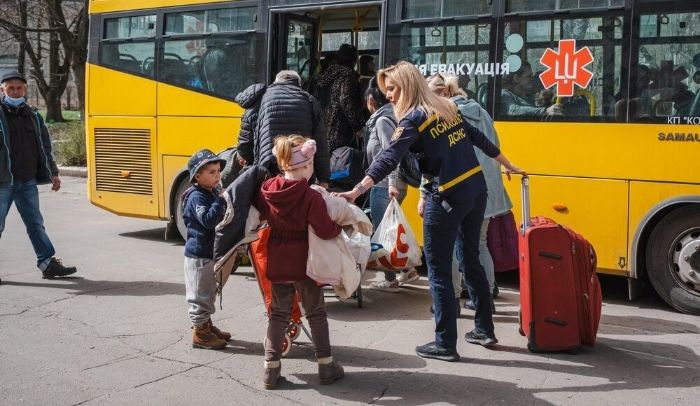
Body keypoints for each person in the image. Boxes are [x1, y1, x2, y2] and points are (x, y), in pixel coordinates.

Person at [336, 61, 525, 362]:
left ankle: (445, 343)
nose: (389, 97)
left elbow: (388, 158)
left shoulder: (414, 119)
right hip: (475, 191)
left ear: (408, 86)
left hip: (447, 196)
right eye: (386, 91)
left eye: (393, 89)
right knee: (471, 260)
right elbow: (479, 139)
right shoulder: (447, 108)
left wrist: (357, 190)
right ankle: (484, 329)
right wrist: (507, 163)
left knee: (437, 270)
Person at [256, 135, 344, 389]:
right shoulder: (310, 197)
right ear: (306, 165)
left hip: (278, 260)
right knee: (316, 313)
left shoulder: (269, 189)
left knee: (278, 314)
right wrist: (338, 229)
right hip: (305, 263)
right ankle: (326, 366)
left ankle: (270, 370)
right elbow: (325, 230)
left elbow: (261, 215)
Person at [428, 74, 513, 311]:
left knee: (454, 244)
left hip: (462, 185)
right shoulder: (481, 110)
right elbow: (493, 144)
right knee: (479, 243)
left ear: (444, 93)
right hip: (487, 188)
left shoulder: (448, 116)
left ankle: (452, 298)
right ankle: (483, 298)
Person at [0, 70, 77, 279]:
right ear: (2, 90)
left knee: (35, 224)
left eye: (19, 88)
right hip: (3, 182)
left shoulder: (33, 115)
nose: (15, 92)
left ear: (24, 89)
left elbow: (44, 146)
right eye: (10, 88)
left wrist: (53, 172)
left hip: (27, 181)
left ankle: (47, 263)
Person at [364, 76, 419, 292]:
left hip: (386, 184)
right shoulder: (389, 116)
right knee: (392, 229)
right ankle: (407, 271)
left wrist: (391, 182)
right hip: (387, 183)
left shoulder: (382, 120)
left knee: (383, 231)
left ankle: (390, 279)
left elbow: (392, 153)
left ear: (371, 100)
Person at [235, 70, 330, 187]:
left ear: (276, 82)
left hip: (267, 167)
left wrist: (252, 161)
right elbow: (320, 143)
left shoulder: (259, 98)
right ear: (299, 84)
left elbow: (245, 142)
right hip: (299, 168)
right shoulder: (310, 100)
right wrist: (323, 179)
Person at [181, 149, 230, 350]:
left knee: (208, 291)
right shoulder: (197, 197)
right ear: (197, 176)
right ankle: (200, 333)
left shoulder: (207, 193)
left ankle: (206, 325)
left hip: (208, 253)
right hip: (199, 255)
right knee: (200, 295)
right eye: (211, 172)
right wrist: (221, 200)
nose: (217, 175)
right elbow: (208, 221)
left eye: (218, 170)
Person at [315, 44, 365, 152]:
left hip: (323, 127)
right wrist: (358, 127)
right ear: (353, 59)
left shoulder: (325, 75)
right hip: (340, 126)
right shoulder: (347, 75)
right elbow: (346, 100)